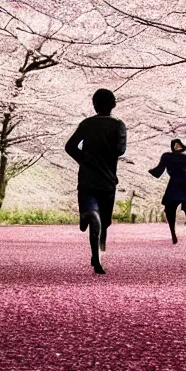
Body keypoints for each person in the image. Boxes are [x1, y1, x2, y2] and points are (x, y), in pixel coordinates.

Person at [65, 89, 126, 274]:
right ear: (113, 104)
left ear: (94, 104)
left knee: (94, 214)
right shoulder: (118, 125)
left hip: (87, 177)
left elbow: (70, 146)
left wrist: (84, 159)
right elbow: (120, 150)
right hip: (107, 179)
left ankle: (87, 216)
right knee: (104, 220)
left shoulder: (87, 123)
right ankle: (96, 255)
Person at [149, 139, 186, 244]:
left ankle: (174, 233)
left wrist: (151, 171)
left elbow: (158, 172)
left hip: (173, 185)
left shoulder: (167, 157)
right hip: (183, 185)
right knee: (185, 204)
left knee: (170, 209)